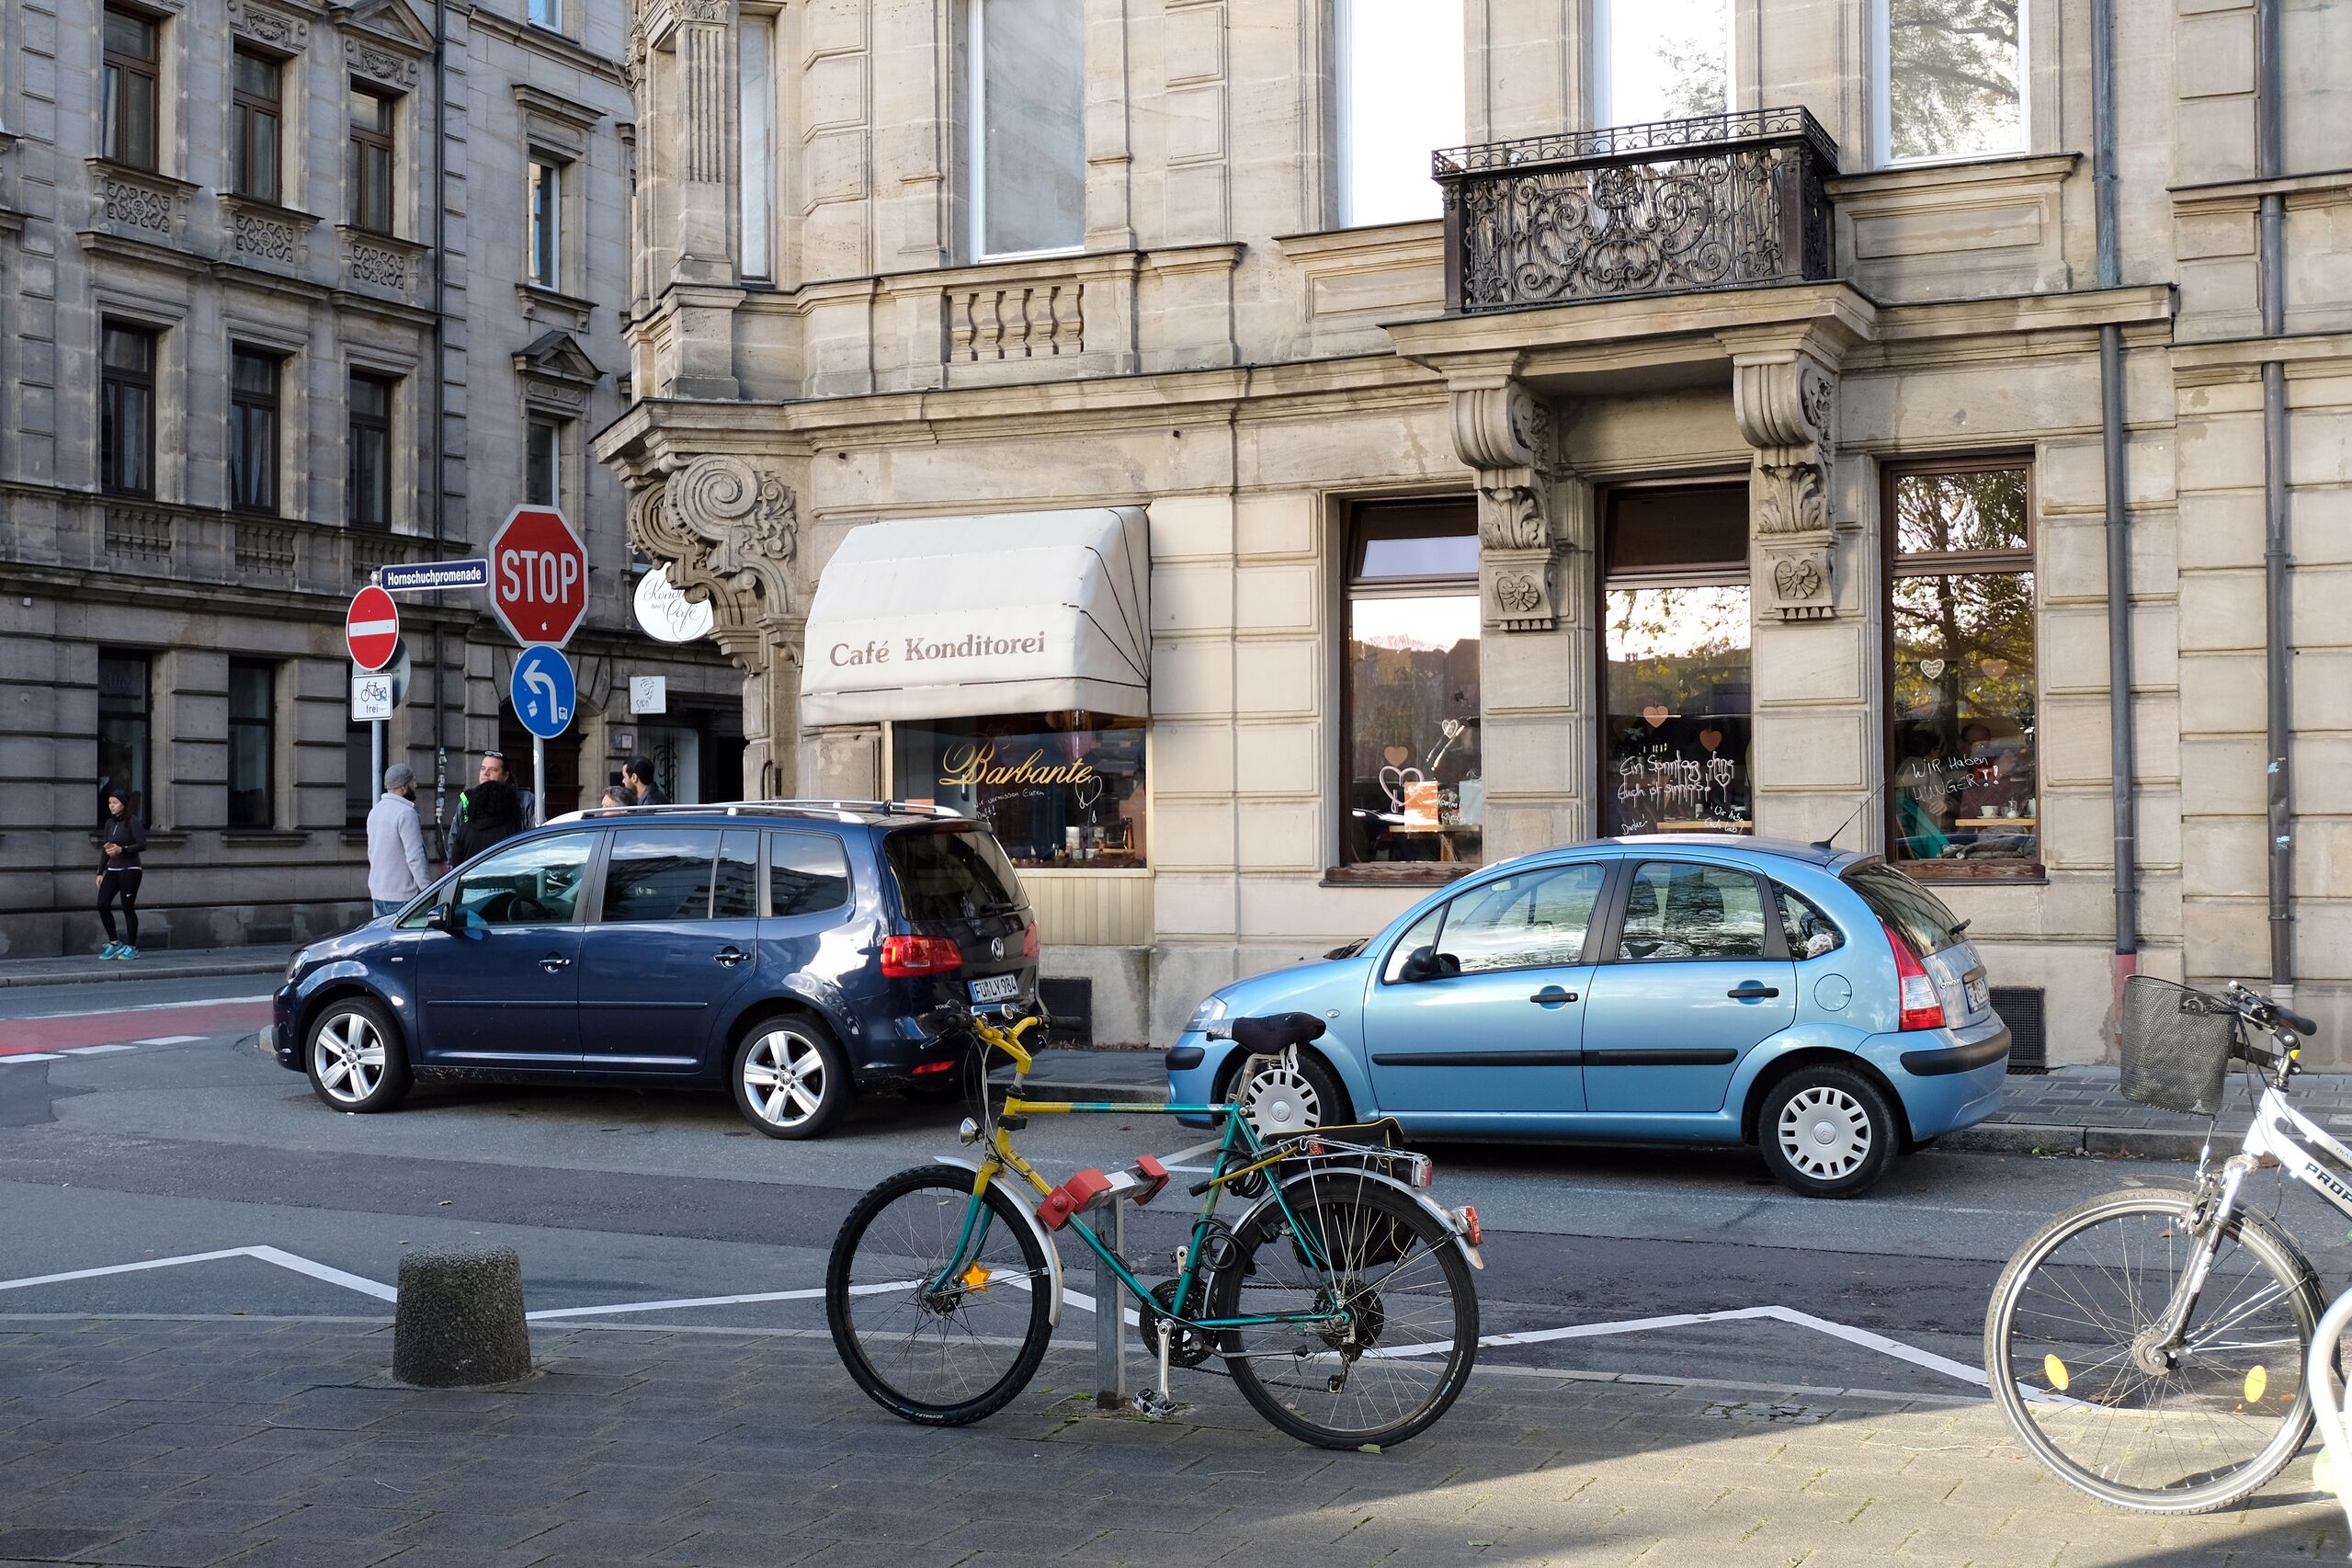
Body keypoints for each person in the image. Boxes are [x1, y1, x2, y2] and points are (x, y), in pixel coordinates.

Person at [367, 764, 432, 917]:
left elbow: (371, 852)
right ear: (404, 787)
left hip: (378, 892)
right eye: (413, 781)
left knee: (384, 933)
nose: (416, 785)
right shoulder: (406, 813)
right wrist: (428, 890)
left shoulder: (374, 811)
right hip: (402, 895)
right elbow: (415, 857)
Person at [96, 789, 148, 960]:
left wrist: (122, 849)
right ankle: (114, 942)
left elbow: (142, 845)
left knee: (127, 907)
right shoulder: (109, 824)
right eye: (110, 803)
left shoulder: (133, 821)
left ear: (123, 805)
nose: (111, 806)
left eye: (115, 803)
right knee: (102, 904)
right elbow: (107, 848)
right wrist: (100, 872)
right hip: (113, 870)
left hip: (130, 869)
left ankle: (132, 947)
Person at [448, 758, 526, 868]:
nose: (485, 773)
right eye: (483, 768)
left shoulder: (523, 801)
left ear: (505, 775)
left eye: (492, 769)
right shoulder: (465, 802)